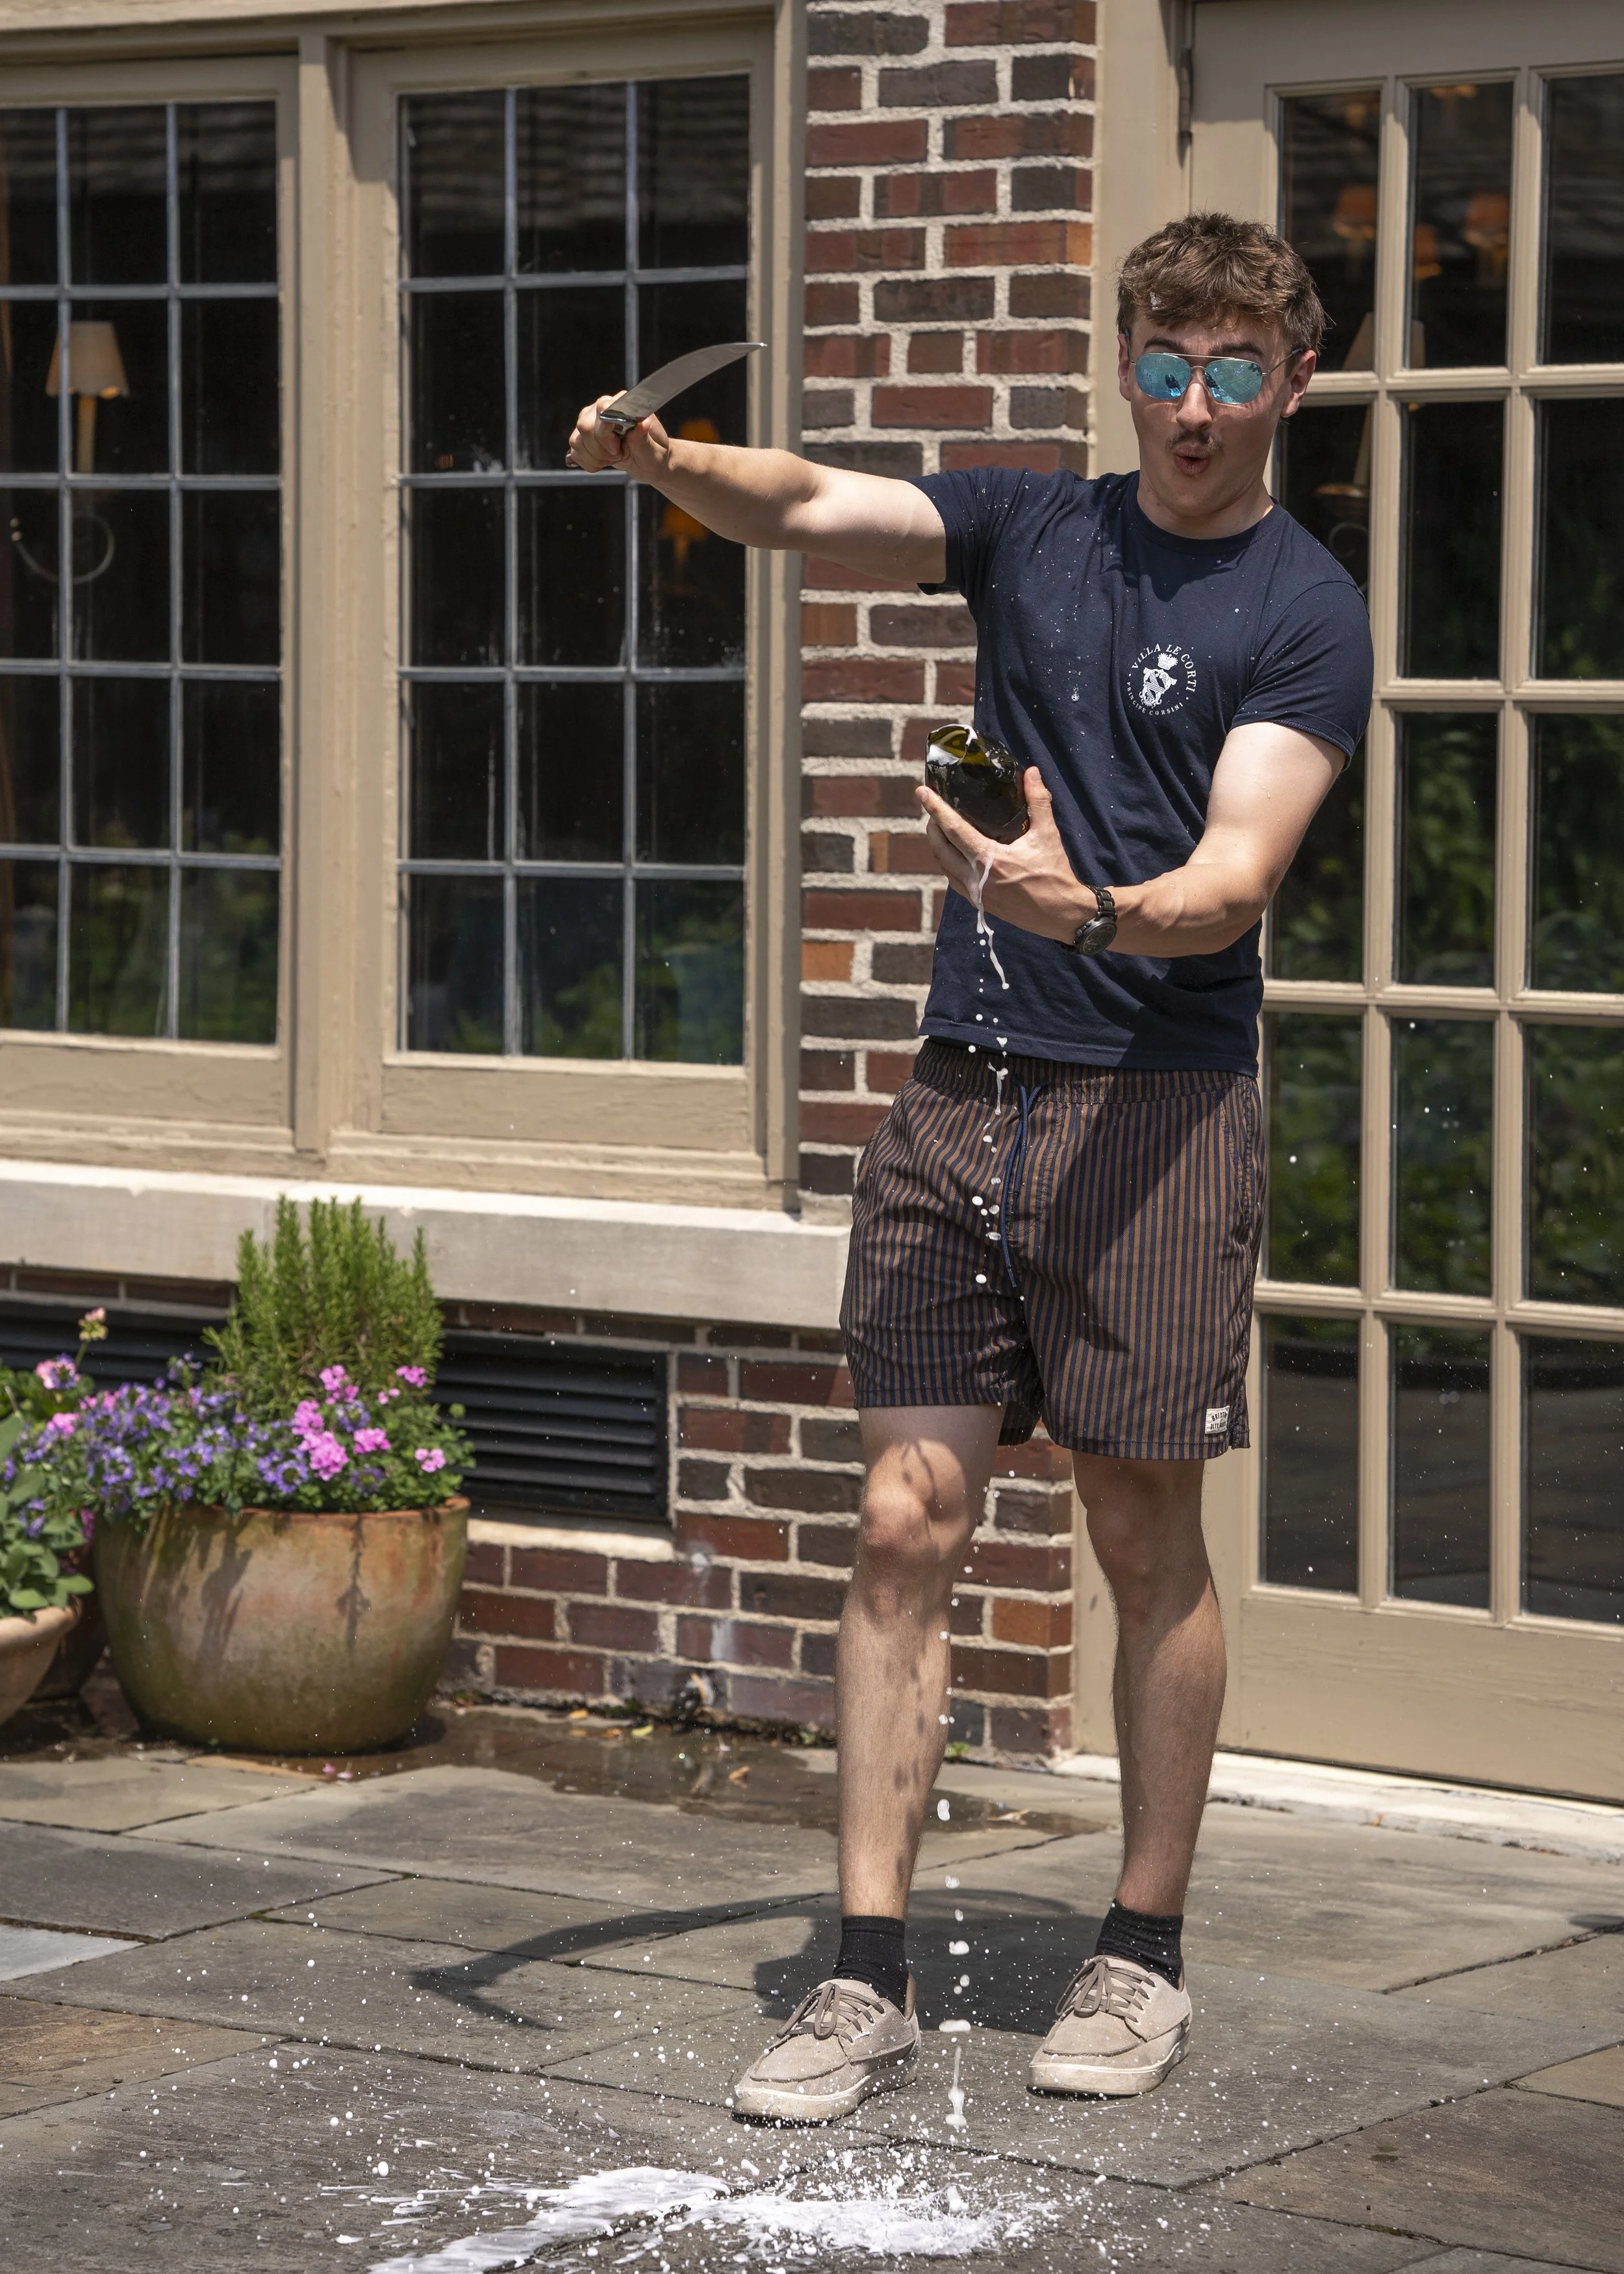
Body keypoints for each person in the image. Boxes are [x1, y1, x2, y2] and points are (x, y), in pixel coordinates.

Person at [570, 211, 1373, 2121]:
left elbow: (1233, 885)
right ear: (1126, 368)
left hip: (1155, 1115)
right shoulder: (1038, 527)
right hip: (960, 1098)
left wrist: (1079, 903)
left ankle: (1140, 1947)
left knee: (1137, 1537)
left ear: (1290, 383)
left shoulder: (1299, 606)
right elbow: (819, 506)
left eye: (1229, 370)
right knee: (901, 1523)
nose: (1190, 406)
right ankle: (860, 1975)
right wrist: (676, 463)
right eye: (1162, 364)